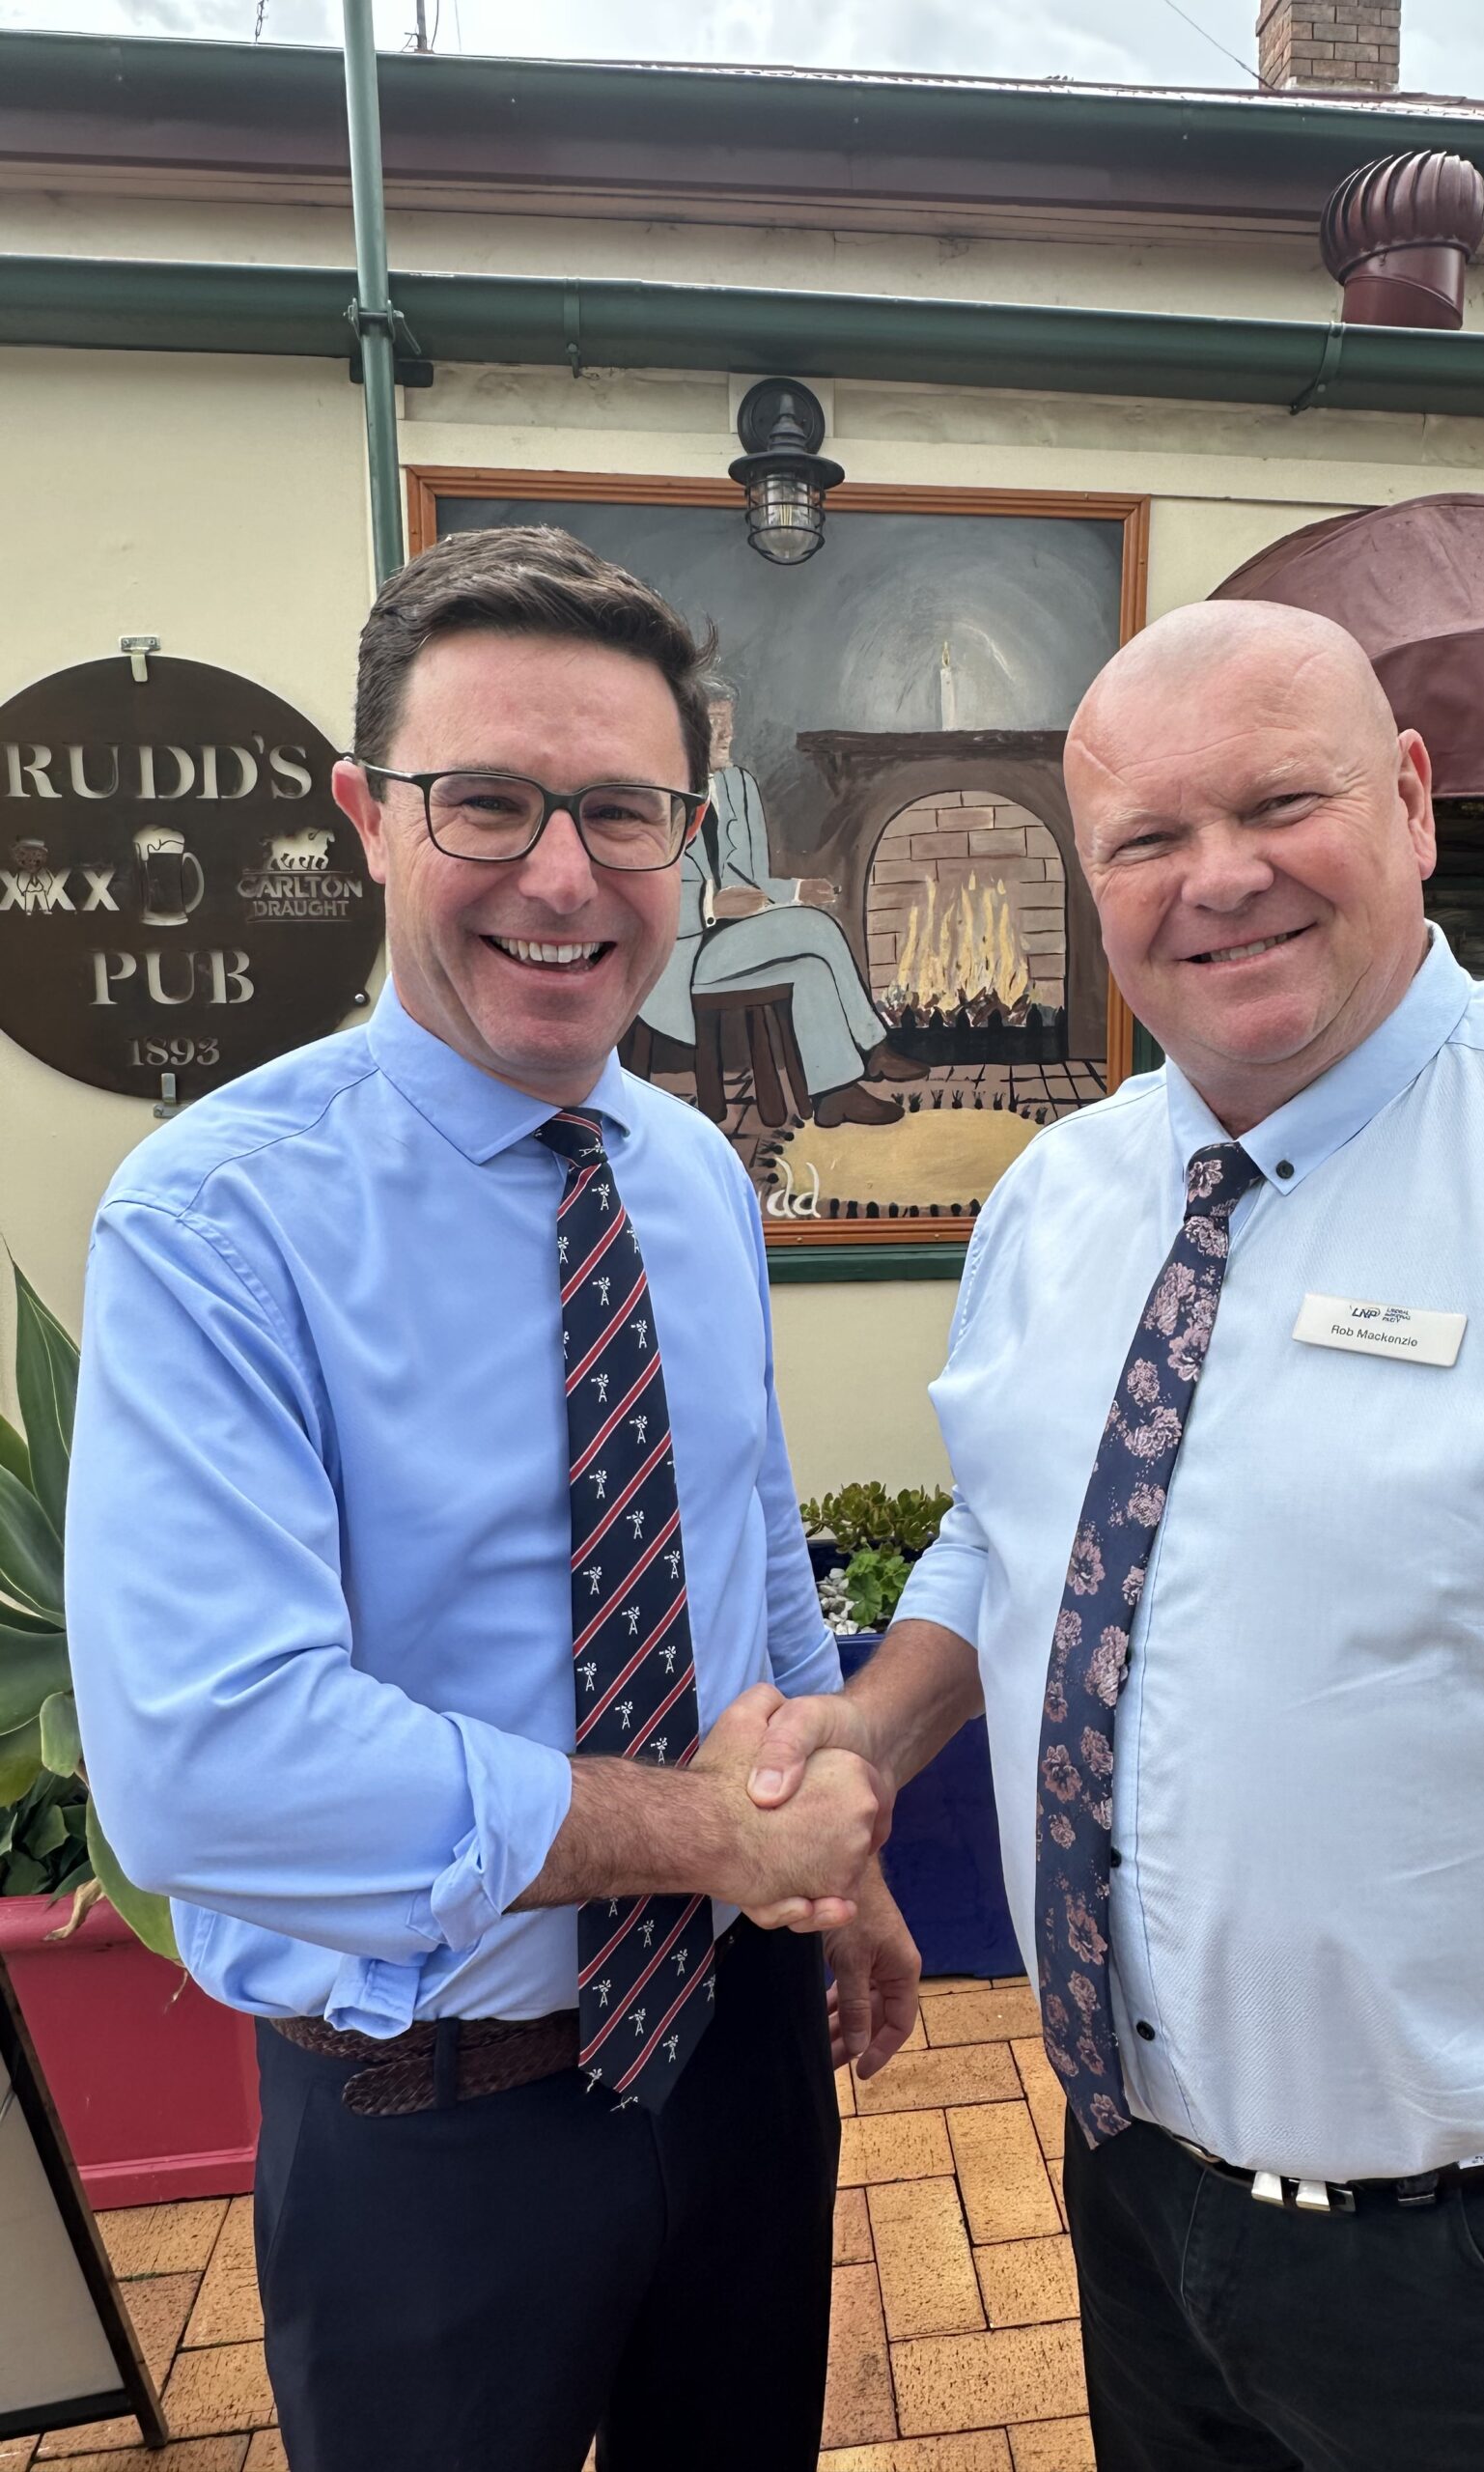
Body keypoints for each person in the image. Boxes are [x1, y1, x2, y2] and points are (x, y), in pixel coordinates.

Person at [745, 600, 1484, 2471]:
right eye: (1149, 838)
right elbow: (1016, 1540)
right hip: (1135, 2191)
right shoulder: (1066, 1194)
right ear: (1094, 883)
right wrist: (871, 1729)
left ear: (1411, 799)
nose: (1221, 877)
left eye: (1282, 800)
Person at [63, 526, 919, 2472]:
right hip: (425, 2125)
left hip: (736, 2057)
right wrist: (705, 1829)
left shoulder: (693, 1172)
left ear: (688, 848)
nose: (561, 871)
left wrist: (825, 1845)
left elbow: (742, 1531)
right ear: (369, 817)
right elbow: (210, 1760)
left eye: (624, 810)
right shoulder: (217, 1223)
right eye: (490, 801)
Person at [637, 684, 927, 1126]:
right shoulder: (655, 796)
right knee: (815, 929)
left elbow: (754, 881)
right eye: (715, 725)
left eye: (729, 724)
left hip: (734, 945)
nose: (727, 736)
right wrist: (712, 906)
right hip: (680, 957)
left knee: (809, 969)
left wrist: (795, 891)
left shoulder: (739, 785)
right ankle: (874, 1046)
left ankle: (835, 1094)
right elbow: (643, 896)